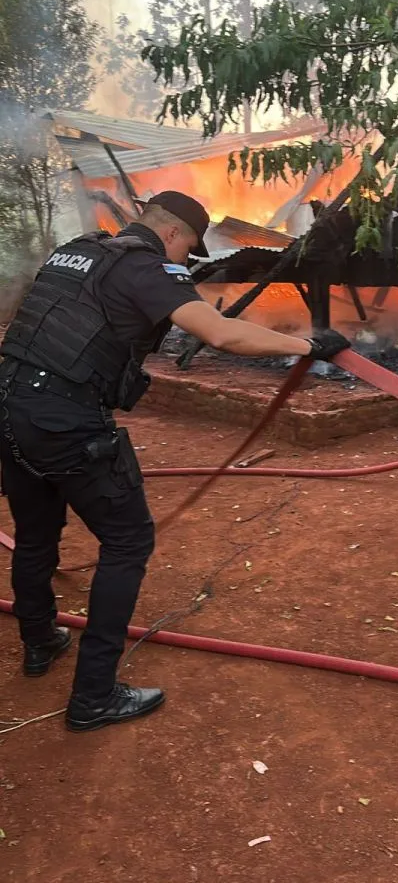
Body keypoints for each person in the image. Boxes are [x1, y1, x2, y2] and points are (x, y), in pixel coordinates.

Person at [0, 192, 349, 732]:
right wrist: (307, 345)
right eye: (188, 248)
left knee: (35, 533)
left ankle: (40, 640)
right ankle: (94, 696)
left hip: (10, 407)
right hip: (64, 420)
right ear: (172, 234)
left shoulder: (76, 249)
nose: (186, 258)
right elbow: (221, 333)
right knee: (128, 541)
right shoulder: (146, 266)